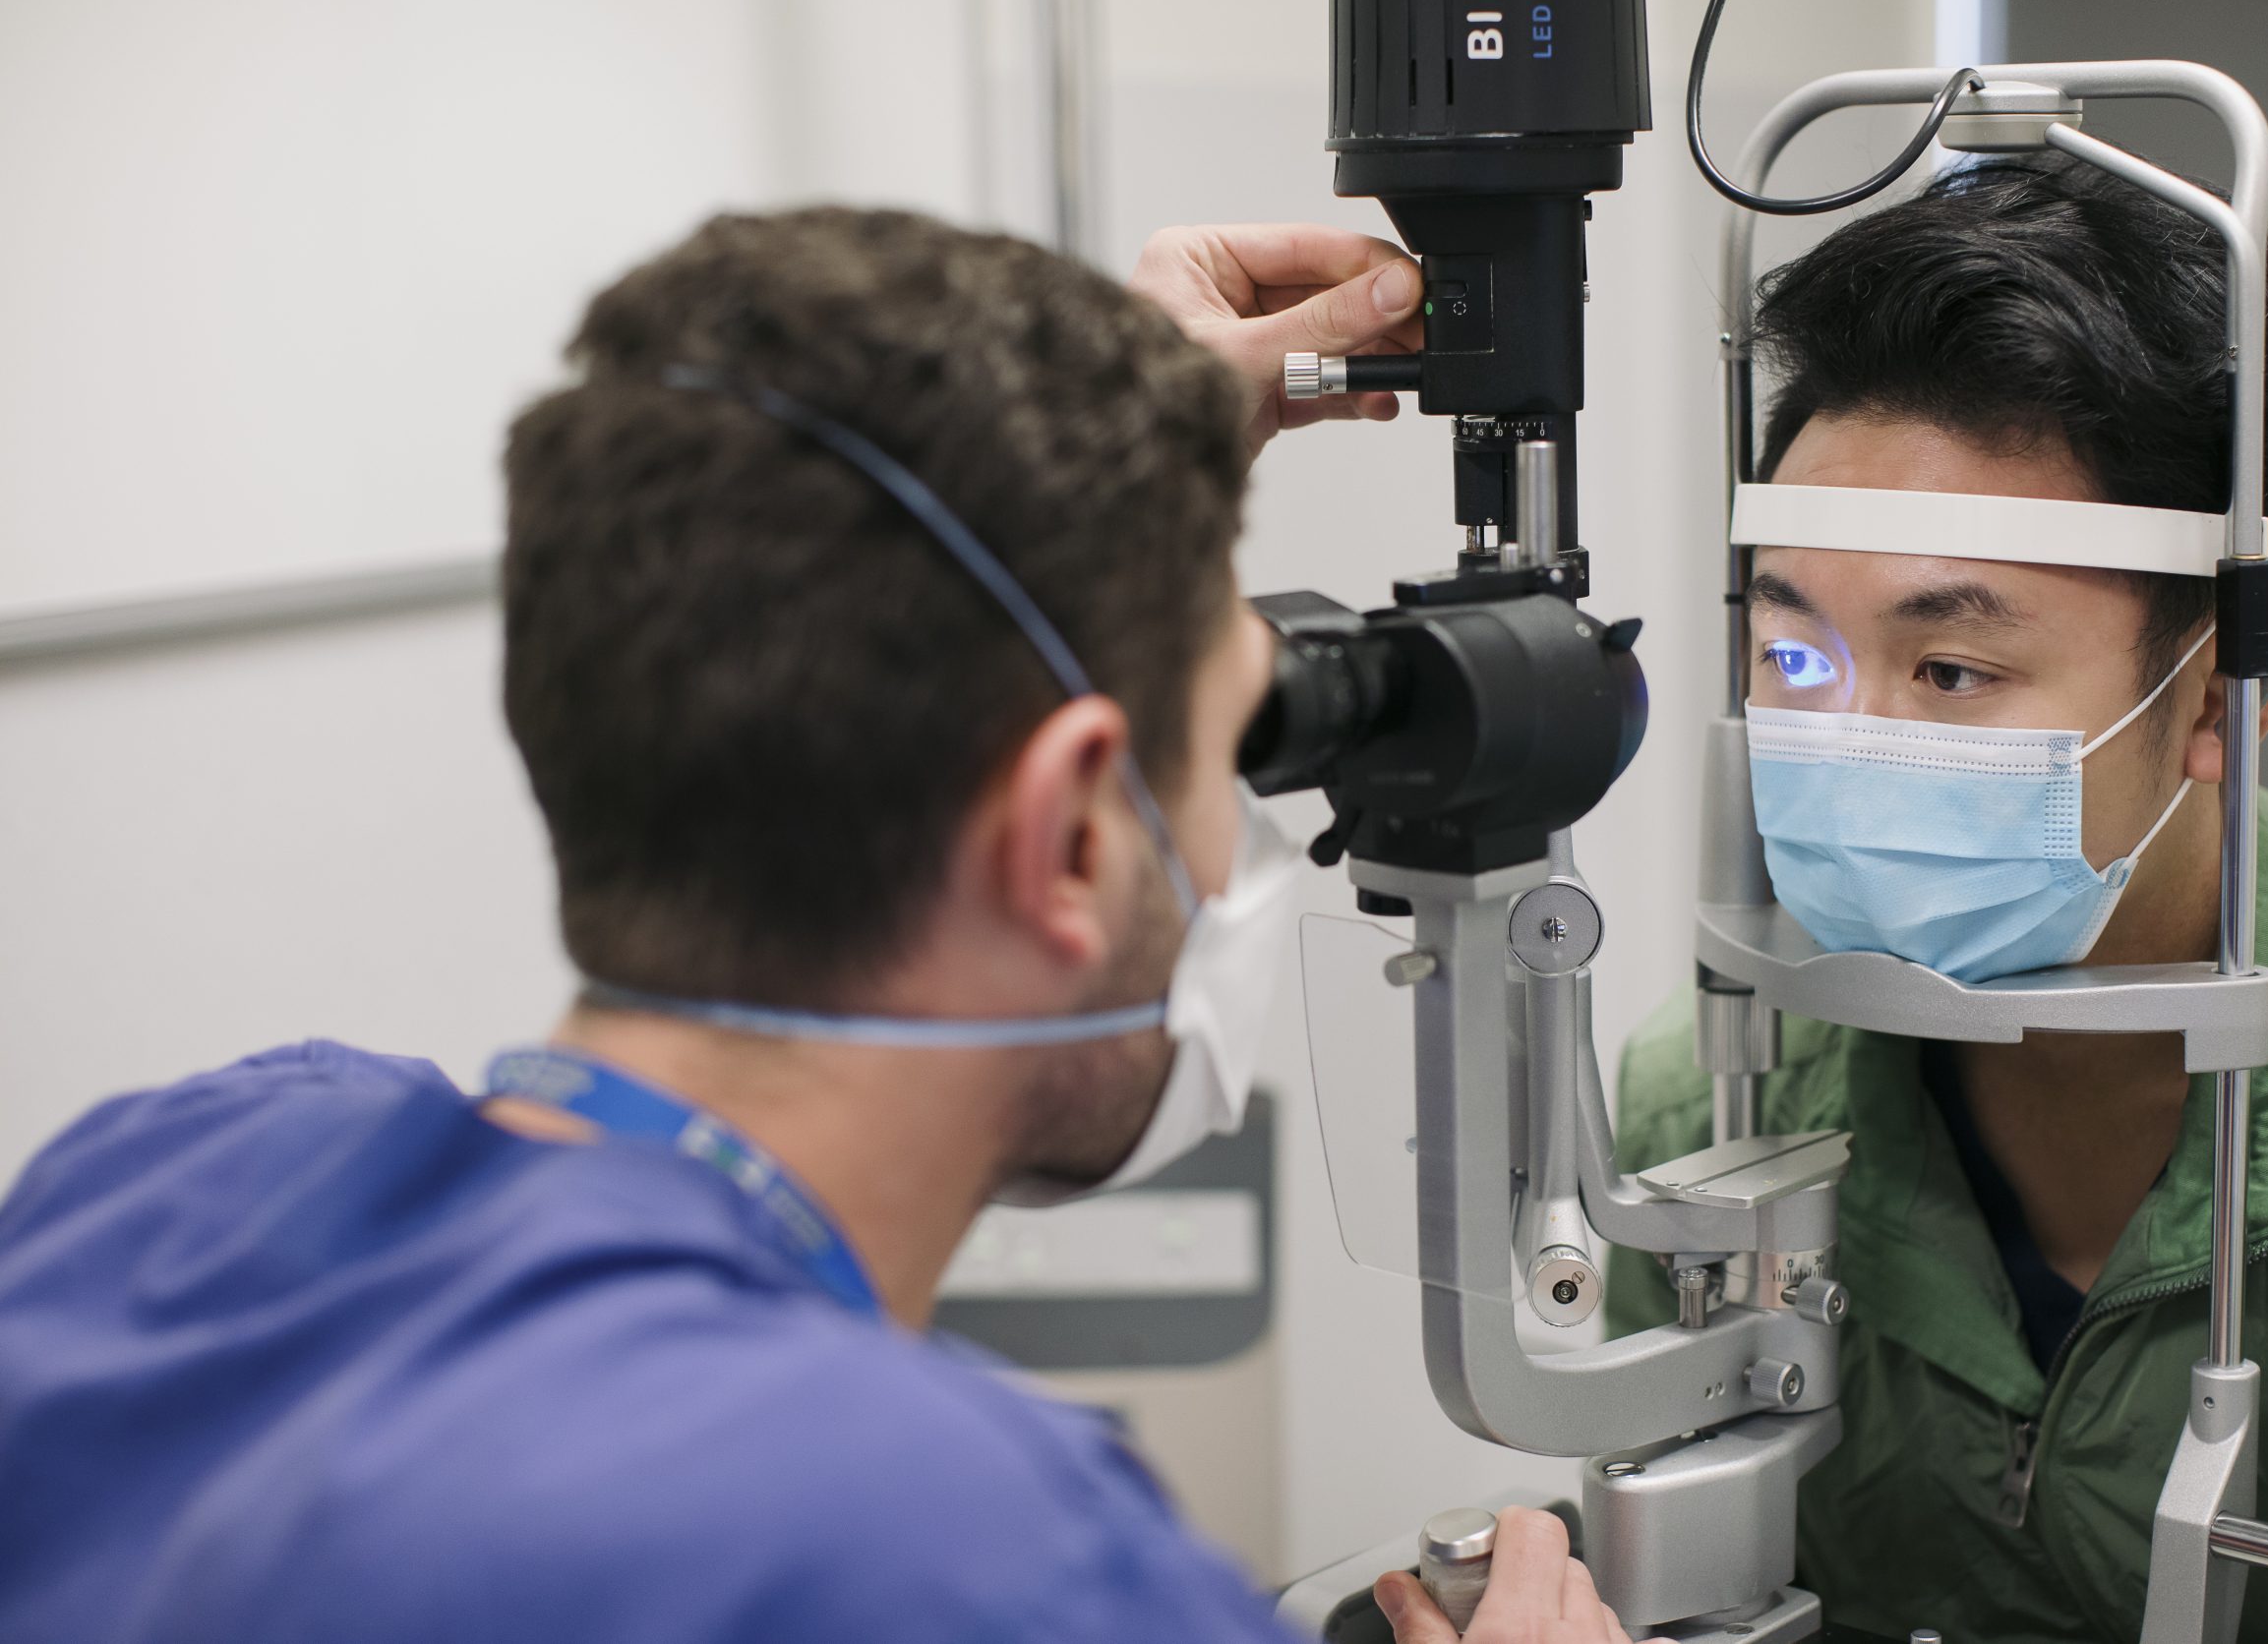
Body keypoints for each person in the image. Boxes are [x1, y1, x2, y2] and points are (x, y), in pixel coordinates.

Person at [0, 210, 1625, 1644]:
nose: (1236, 837)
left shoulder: (169, 1179)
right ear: (1068, 838)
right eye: (1232, 748)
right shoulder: (983, 1565)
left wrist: (1088, 485)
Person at [1608, 152, 2268, 1642]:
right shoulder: (1703, 1120)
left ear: (2225, 692)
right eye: (1794, 660)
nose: (1851, 741)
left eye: (1951, 671)